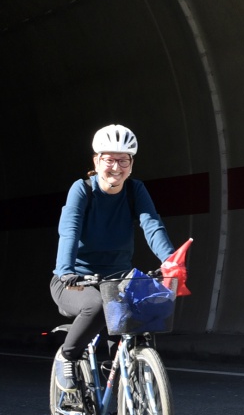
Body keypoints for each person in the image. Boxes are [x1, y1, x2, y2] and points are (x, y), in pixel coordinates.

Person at [50, 124, 177, 394]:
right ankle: (68, 356)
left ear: (131, 164)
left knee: (139, 322)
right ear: (96, 161)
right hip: (76, 281)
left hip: (116, 281)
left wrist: (170, 259)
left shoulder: (134, 190)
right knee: (96, 306)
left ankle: (122, 400)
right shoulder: (82, 189)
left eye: (123, 160)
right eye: (109, 160)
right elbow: (70, 230)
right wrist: (66, 271)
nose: (116, 168)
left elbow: (151, 225)